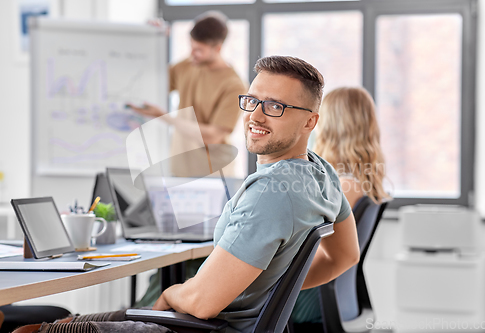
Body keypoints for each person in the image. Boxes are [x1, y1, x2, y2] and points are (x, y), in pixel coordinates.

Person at [14, 56, 359, 333]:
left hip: (205, 326)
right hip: (219, 322)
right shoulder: (320, 172)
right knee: (62, 321)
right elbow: (346, 255)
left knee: (33, 330)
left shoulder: (272, 191)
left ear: (310, 122)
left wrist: (168, 292)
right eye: (252, 100)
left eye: (275, 107)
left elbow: (202, 303)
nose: (254, 115)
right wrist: (272, 293)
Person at [291, 87, 391, 331]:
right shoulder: (365, 183)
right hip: (340, 298)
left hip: (314, 300)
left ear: (330, 127)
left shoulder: (342, 186)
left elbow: (312, 254)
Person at [129, 11, 247, 177]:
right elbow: (147, 85)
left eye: (199, 50)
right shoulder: (187, 66)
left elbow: (212, 136)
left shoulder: (235, 86)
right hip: (179, 170)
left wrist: (164, 117)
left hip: (215, 174)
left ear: (218, 48)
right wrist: (151, 40)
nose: (192, 54)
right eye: (191, 47)